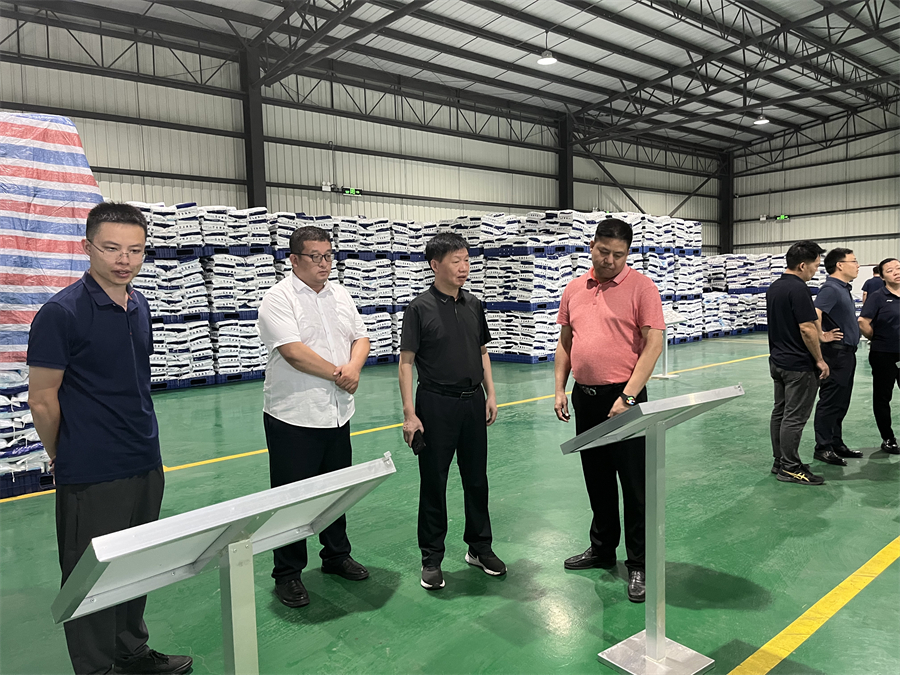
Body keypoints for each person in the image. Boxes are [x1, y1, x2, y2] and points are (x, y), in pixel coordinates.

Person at [27, 202, 192, 675]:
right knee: (90, 575)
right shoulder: (61, 313)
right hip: (92, 468)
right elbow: (43, 399)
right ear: (87, 247)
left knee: (135, 564)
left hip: (144, 458)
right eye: (112, 248)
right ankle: (96, 669)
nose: (124, 259)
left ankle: (130, 652)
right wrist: (63, 453)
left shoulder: (138, 305)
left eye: (135, 250)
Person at [257, 226, 371, 609]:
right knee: (292, 498)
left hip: (337, 413)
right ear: (294, 259)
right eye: (315, 257)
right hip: (294, 416)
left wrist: (353, 368)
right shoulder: (278, 298)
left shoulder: (340, 294)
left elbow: (361, 337)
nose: (324, 263)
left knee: (337, 490)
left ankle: (336, 555)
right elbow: (293, 352)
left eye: (328, 256)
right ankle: (287, 573)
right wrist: (340, 374)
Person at [553, 218, 665, 604]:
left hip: (625, 398)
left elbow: (653, 345)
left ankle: (639, 563)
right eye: (604, 252)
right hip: (585, 398)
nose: (611, 261)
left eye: (619, 255)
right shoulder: (574, 288)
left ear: (627, 253)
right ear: (592, 246)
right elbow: (566, 342)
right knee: (597, 478)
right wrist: (560, 389)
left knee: (634, 485)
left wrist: (629, 397)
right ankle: (602, 549)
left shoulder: (642, 287)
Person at [399, 233, 503, 591]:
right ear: (435, 265)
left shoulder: (474, 304)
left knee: (476, 479)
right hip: (435, 404)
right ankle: (431, 558)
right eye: (456, 261)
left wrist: (491, 393)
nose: (464, 267)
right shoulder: (419, 308)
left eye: (467, 260)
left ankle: (480, 547)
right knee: (434, 482)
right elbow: (406, 363)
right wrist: (410, 414)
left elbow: (483, 351)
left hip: (472, 401)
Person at [766, 240, 841, 486]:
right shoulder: (799, 289)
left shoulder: (775, 287)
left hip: (778, 361)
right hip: (798, 365)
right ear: (802, 265)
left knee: (780, 412)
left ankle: (780, 461)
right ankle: (790, 468)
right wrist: (820, 360)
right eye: (815, 266)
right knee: (794, 417)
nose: (815, 271)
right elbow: (807, 328)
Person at [812, 248, 862, 466]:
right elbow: (815, 313)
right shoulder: (831, 289)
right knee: (831, 401)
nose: (858, 265)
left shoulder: (843, 288)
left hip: (847, 354)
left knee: (841, 401)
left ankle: (835, 442)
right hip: (836, 354)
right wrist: (822, 336)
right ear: (840, 265)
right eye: (854, 261)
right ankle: (822, 447)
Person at [858, 258, 900, 455]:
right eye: (890, 270)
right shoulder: (878, 297)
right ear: (882, 276)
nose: (896, 272)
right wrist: (877, 338)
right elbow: (863, 321)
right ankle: (888, 438)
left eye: (898, 268)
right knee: (883, 397)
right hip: (884, 354)